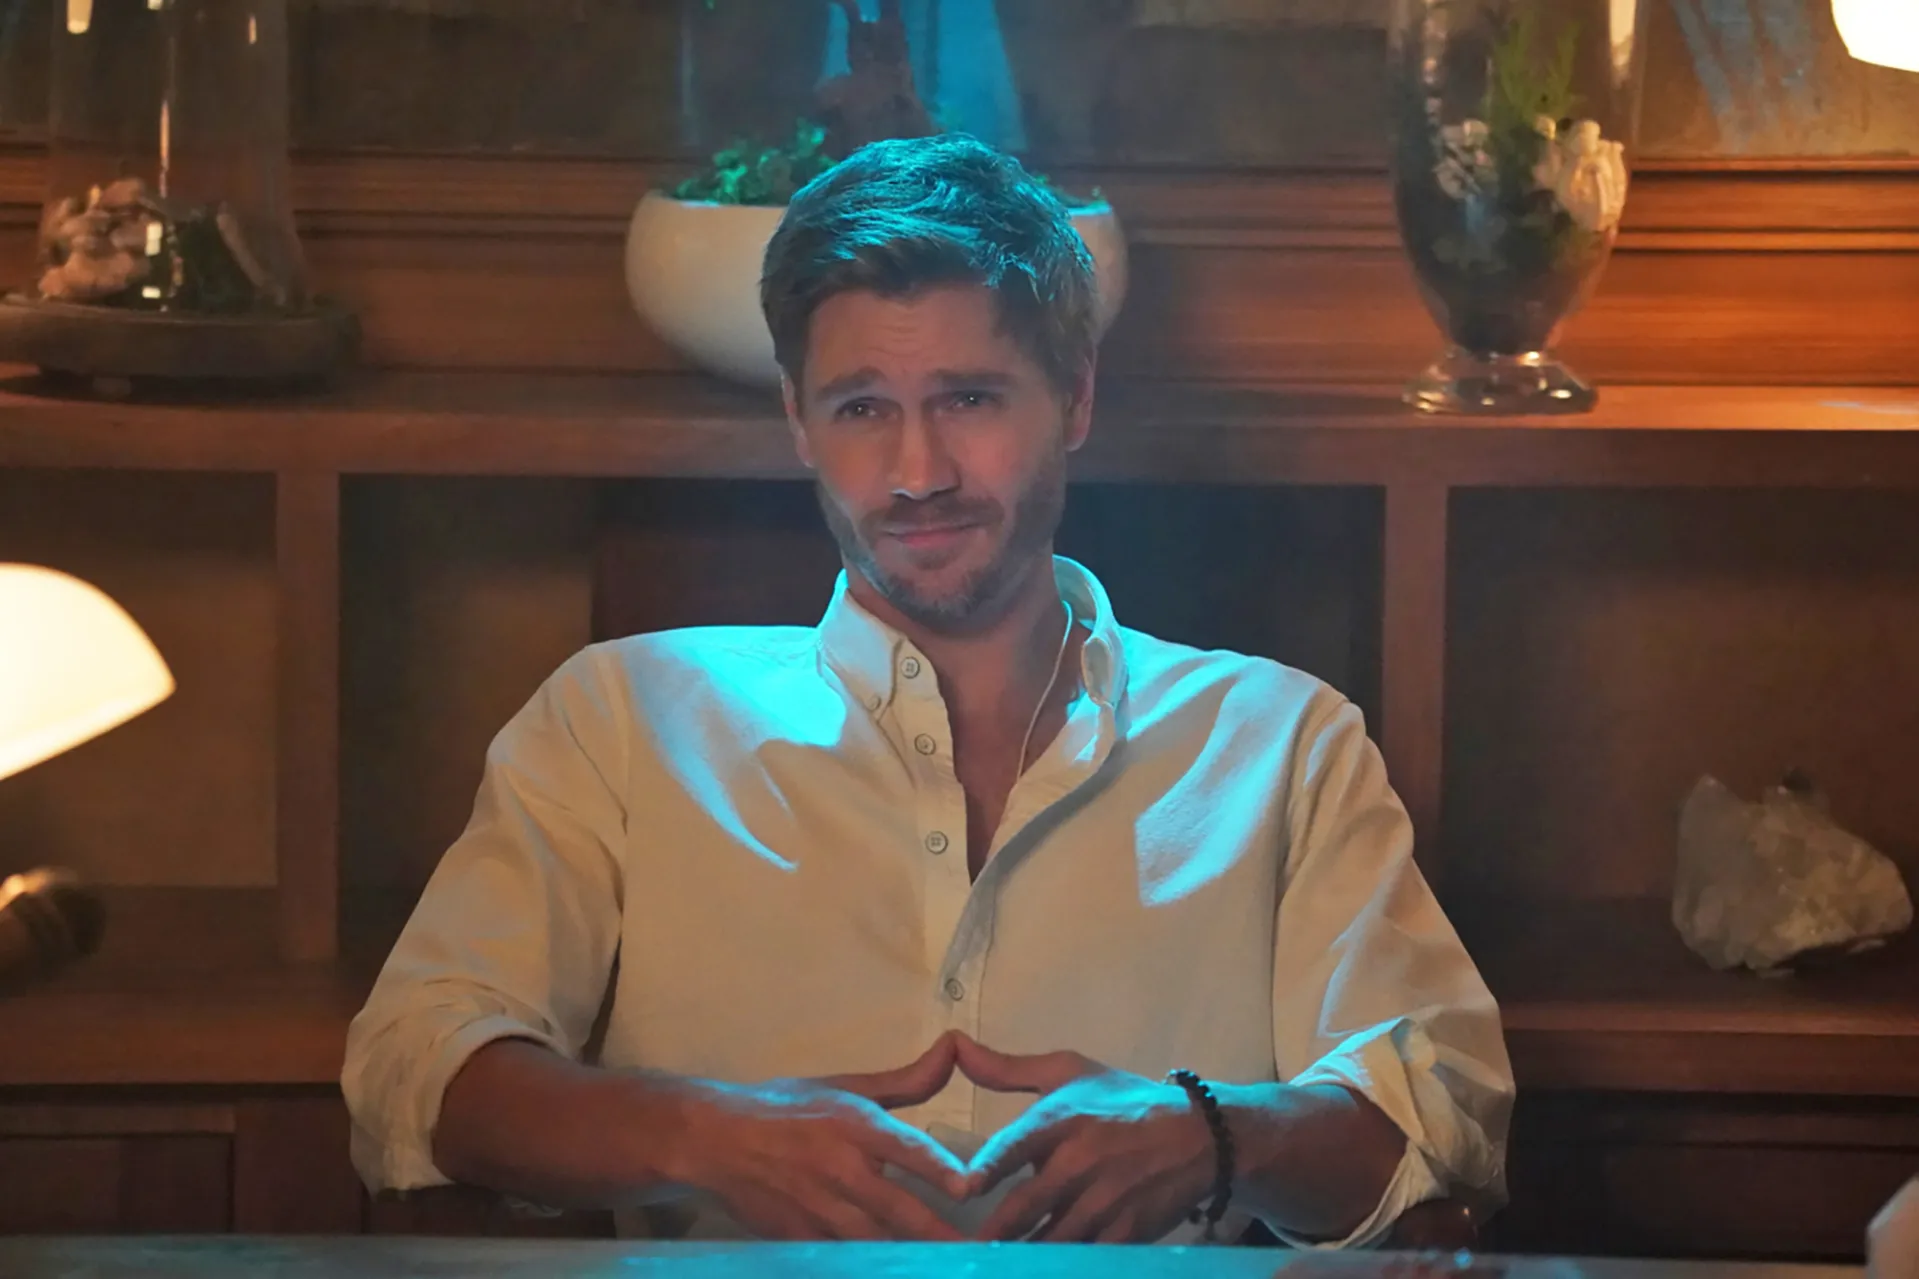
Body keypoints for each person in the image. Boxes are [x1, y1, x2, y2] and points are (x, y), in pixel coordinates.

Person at [342, 133, 1513, 1248]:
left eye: (968, 399)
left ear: (1075, 398)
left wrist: (1210, 1136)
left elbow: (1443, 1122)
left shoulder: (1280, 740)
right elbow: (412, 1067)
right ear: (797, 422)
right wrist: (708, 1136)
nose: (917, 473)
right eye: (861, 408)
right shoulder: (619, 718)